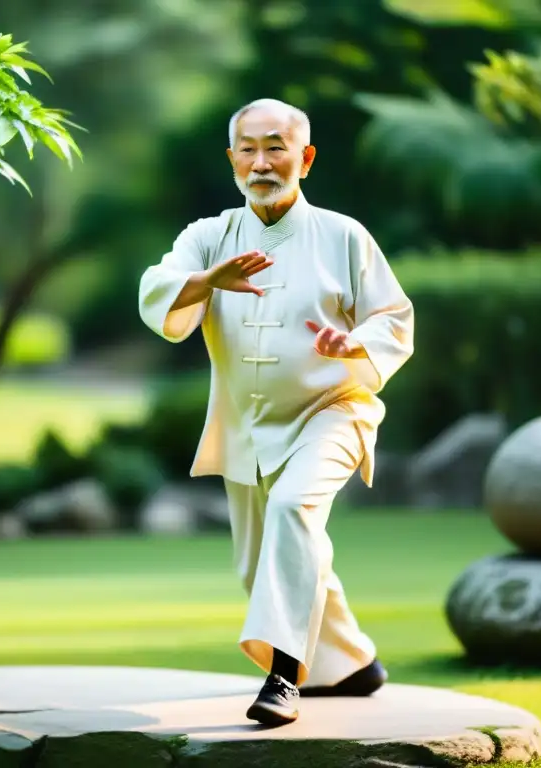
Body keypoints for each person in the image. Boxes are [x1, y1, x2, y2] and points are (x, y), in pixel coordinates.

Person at [137, 98, 415, 726]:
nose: (261, 163)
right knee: (266, 558)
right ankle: (351, 663)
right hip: (246, 426)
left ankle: (285, 677)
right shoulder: (208, 236)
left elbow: (394, 317)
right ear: (232, 158)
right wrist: (208, 280)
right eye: (248, 149)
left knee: (295, 511)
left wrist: (356, 344)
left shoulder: (344, 235)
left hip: (332, 410)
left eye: (276, 147)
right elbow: (156, 287)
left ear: (305, 158)